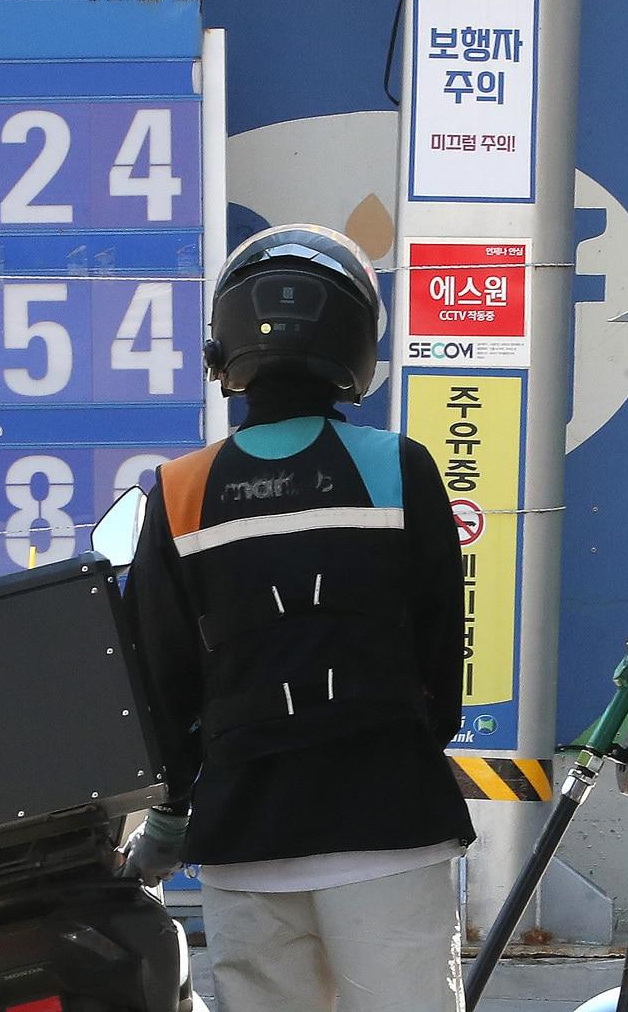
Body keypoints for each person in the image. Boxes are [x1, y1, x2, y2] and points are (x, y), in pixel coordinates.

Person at [118, 225, 476, 1012]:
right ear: (357, 347)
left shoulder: (177, 491)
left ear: (227, 351)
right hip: (390, 821)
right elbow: (442, 661)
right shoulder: (397, 467)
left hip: (244, 840)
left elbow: (158, 682)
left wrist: (171, 816)